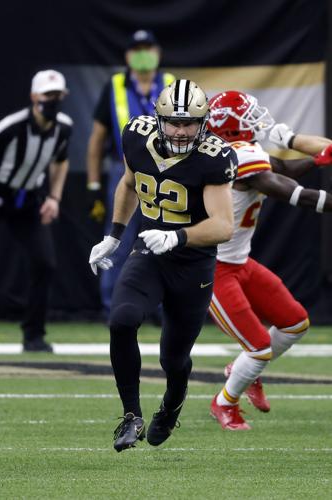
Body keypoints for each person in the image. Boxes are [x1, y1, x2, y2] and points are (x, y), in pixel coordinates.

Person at [89, 80, 238, 451]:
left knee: (173, 358)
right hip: (150, 255)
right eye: (173, 122)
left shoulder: (214, 156)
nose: (182, 130)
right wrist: (115, 235)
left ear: (203, 123)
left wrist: (179, 236)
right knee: (122, 319)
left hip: (193, 266)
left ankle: (171, 406)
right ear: (159, 119)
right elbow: (127, 183)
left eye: (190, 123)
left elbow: (223, 224)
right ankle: (131, 416)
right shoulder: (136, 136)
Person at [206, 90, 332, 430]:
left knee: (294, 323)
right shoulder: (231, 157)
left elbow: (285, 168)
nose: (255, 119)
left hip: (240, 262)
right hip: (213, 269)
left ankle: (242, 371)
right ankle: (224, 403)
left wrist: (320, 160)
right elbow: (293, 194)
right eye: (247, 115)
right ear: (230, 127)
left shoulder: (245, 152)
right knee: (259, 347)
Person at [86, 29, 175, 318]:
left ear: (158, 53)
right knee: (118, 236)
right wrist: (93, 184)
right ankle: (113, 308)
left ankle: (163, 309)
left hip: (167, 171)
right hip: (124, 170)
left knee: (164, 237)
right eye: (137, 49)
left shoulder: (172, 84)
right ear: (127, 56)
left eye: (148, 48)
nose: (143, 54)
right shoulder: (115, 86)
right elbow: (97, 139)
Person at [0, 69, 72, 352]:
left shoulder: (64, 127)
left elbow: (61, 160)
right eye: (47, 95)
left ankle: (33, 336)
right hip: (0, 191)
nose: (53, 101)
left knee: (45, 262)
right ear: (34, 97)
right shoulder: (10, 127)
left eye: (57, 95)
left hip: (28, 199)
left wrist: (54, 197)